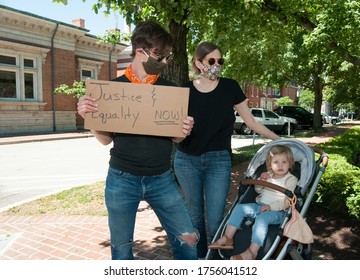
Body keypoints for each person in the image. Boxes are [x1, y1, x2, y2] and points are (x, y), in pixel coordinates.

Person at [77, 20, 199, 260]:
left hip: (162, 178)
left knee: (189, 242)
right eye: (160, 56)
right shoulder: (112, 89)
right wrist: (88, 118)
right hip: (122, 179)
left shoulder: (170, 90)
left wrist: (184, 129)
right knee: (121, 251)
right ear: (140, 52)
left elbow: (176, 137)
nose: (165, 62)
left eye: (168, 57)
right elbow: (105, 140)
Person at [173, 41, 281, 259]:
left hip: (218, 161)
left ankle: (214, 261)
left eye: (220, 61)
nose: (216, 65)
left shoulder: (230, 87)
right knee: (194, 217)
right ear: (197, 62)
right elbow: (175, 134)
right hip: (186, 161)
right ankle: (200, 259)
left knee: (215, 220)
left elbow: (251, 121)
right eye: (211, 61)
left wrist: (281, 139)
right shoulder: (183, 90)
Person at [208, 145, 298, 260]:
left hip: (278, 211)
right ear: (270, 164)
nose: (280, 165)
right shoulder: (268, 175)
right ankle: (228, 238)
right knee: (240, 208)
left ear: (290, 164)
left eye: (284, 162)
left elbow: (288, 202)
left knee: (261, 219)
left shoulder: (291, 180)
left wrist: (270, 206)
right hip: (260, 206)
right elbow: (258, 190)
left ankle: (252, 252)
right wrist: (261, 181)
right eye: (276, 162)